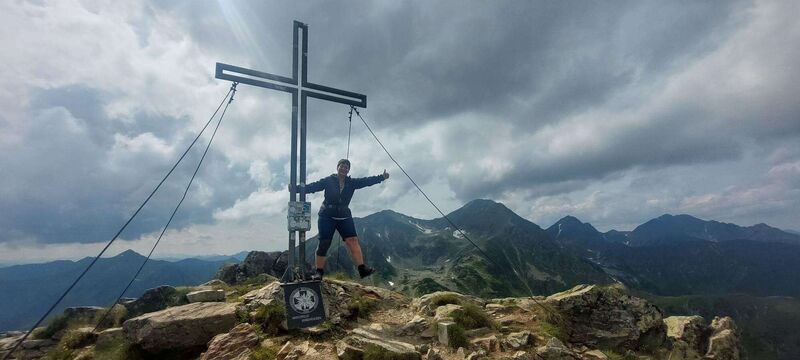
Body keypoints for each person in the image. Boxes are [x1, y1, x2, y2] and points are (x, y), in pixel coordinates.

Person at [305, 159, 389, 280]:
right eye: (342, 166)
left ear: (348, 170)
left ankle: (362, 269)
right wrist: (297, 189)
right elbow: (314, 186)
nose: (344, 168)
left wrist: (381, 177)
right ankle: (318, 272)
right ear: (337, 167)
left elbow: (366, 181)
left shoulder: (352, 182)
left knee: (353, 240)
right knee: (324, 243)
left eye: (346, 167)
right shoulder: (328, 180)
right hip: (327, 216)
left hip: (344, 215)